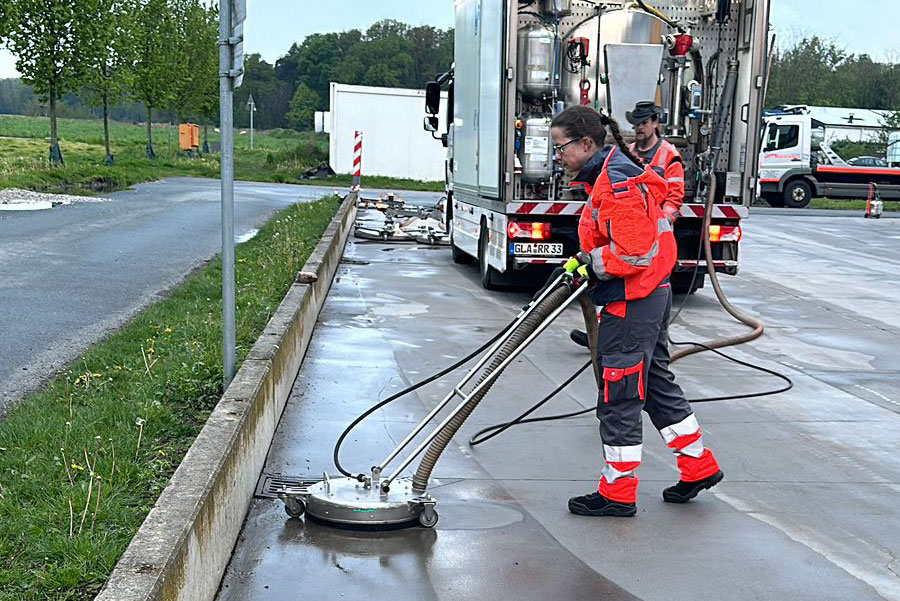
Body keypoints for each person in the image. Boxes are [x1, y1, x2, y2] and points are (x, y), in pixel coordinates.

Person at [549, 105, 723, 517]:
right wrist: (589, 257)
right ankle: (699, 465)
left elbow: (635, 252)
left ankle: (618, 492)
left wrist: (593, 264)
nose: (557, 155)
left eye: (561, 147)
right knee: (657, 385)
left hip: (633, 300)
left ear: (586, 143)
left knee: (620, 394)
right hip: (651, 294)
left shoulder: (616, 185)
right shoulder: (615, 174)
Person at [569, 101, 685, 349]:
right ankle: (604, 335)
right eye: (635, 123)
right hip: (640, 243)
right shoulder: (627, 151)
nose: (639, 128)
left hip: (651, 245)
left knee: (638, 309)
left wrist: (655, 223)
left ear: (655, 122)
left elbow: (673, 197)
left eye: (643, 123)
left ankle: (614, 338)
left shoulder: (668, 154)